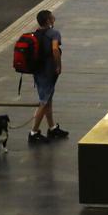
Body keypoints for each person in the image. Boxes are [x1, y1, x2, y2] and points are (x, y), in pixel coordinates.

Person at [28, 9, 67, 144]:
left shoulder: (36, 33)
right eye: (52, 17)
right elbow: (55, 49)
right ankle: (33, 132)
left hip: (38, 72)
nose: (54, 19)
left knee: (48, 99)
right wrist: (59, 65)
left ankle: (52, 127)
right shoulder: (54, 33)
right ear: (49, 21)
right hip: (48, 72)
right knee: (44, 102)